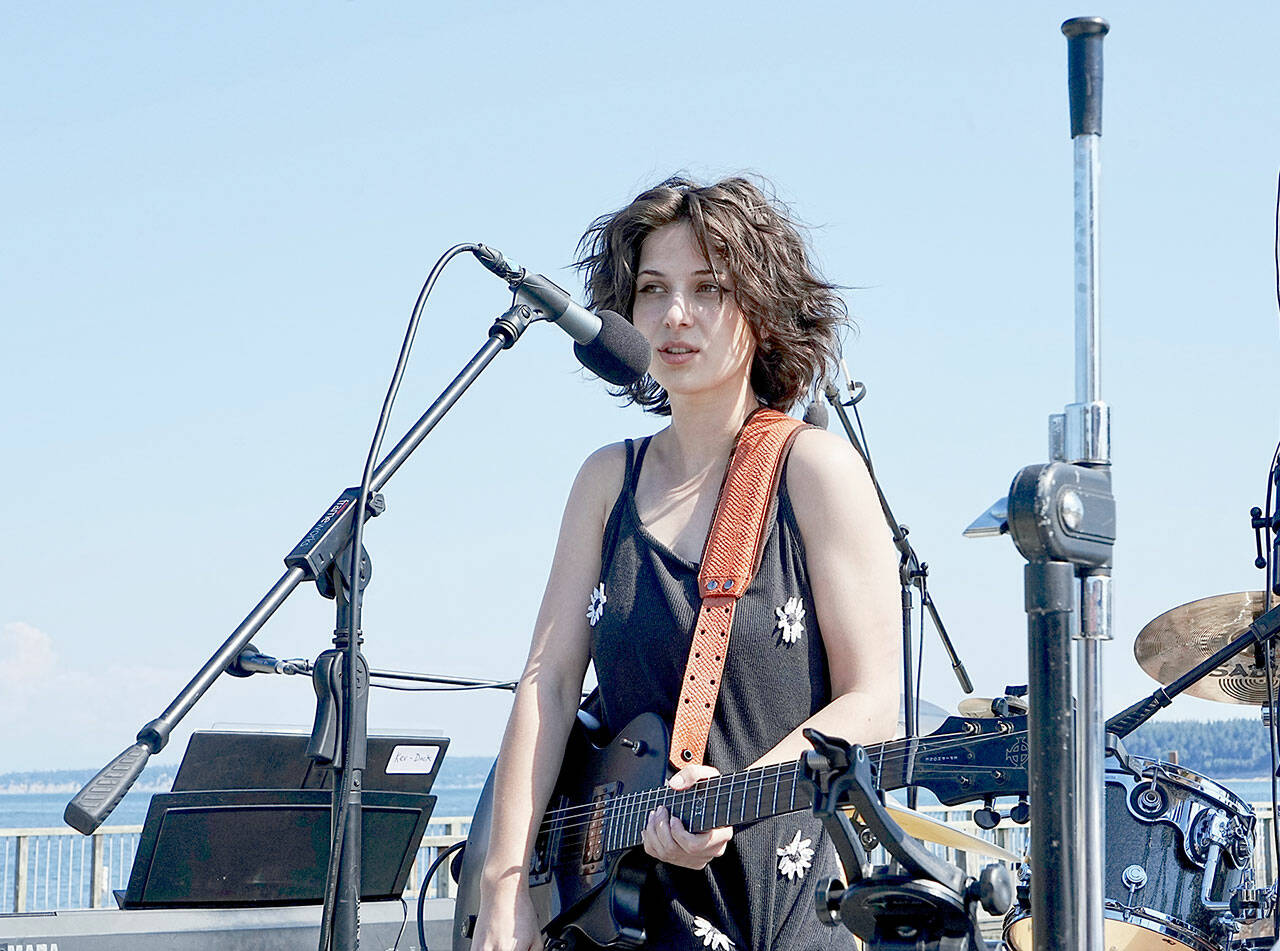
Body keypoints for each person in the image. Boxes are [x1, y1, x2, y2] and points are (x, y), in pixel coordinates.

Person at [471, 175, 901, 951]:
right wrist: (505, 888)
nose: (675, 314)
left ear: (761, 312)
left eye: (709, 289)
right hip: (621, 922)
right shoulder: (606, 480)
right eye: (652, 290)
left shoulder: (816, 470)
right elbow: (549, 682)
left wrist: (730, 796)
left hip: (785, 910)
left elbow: (874, 700)